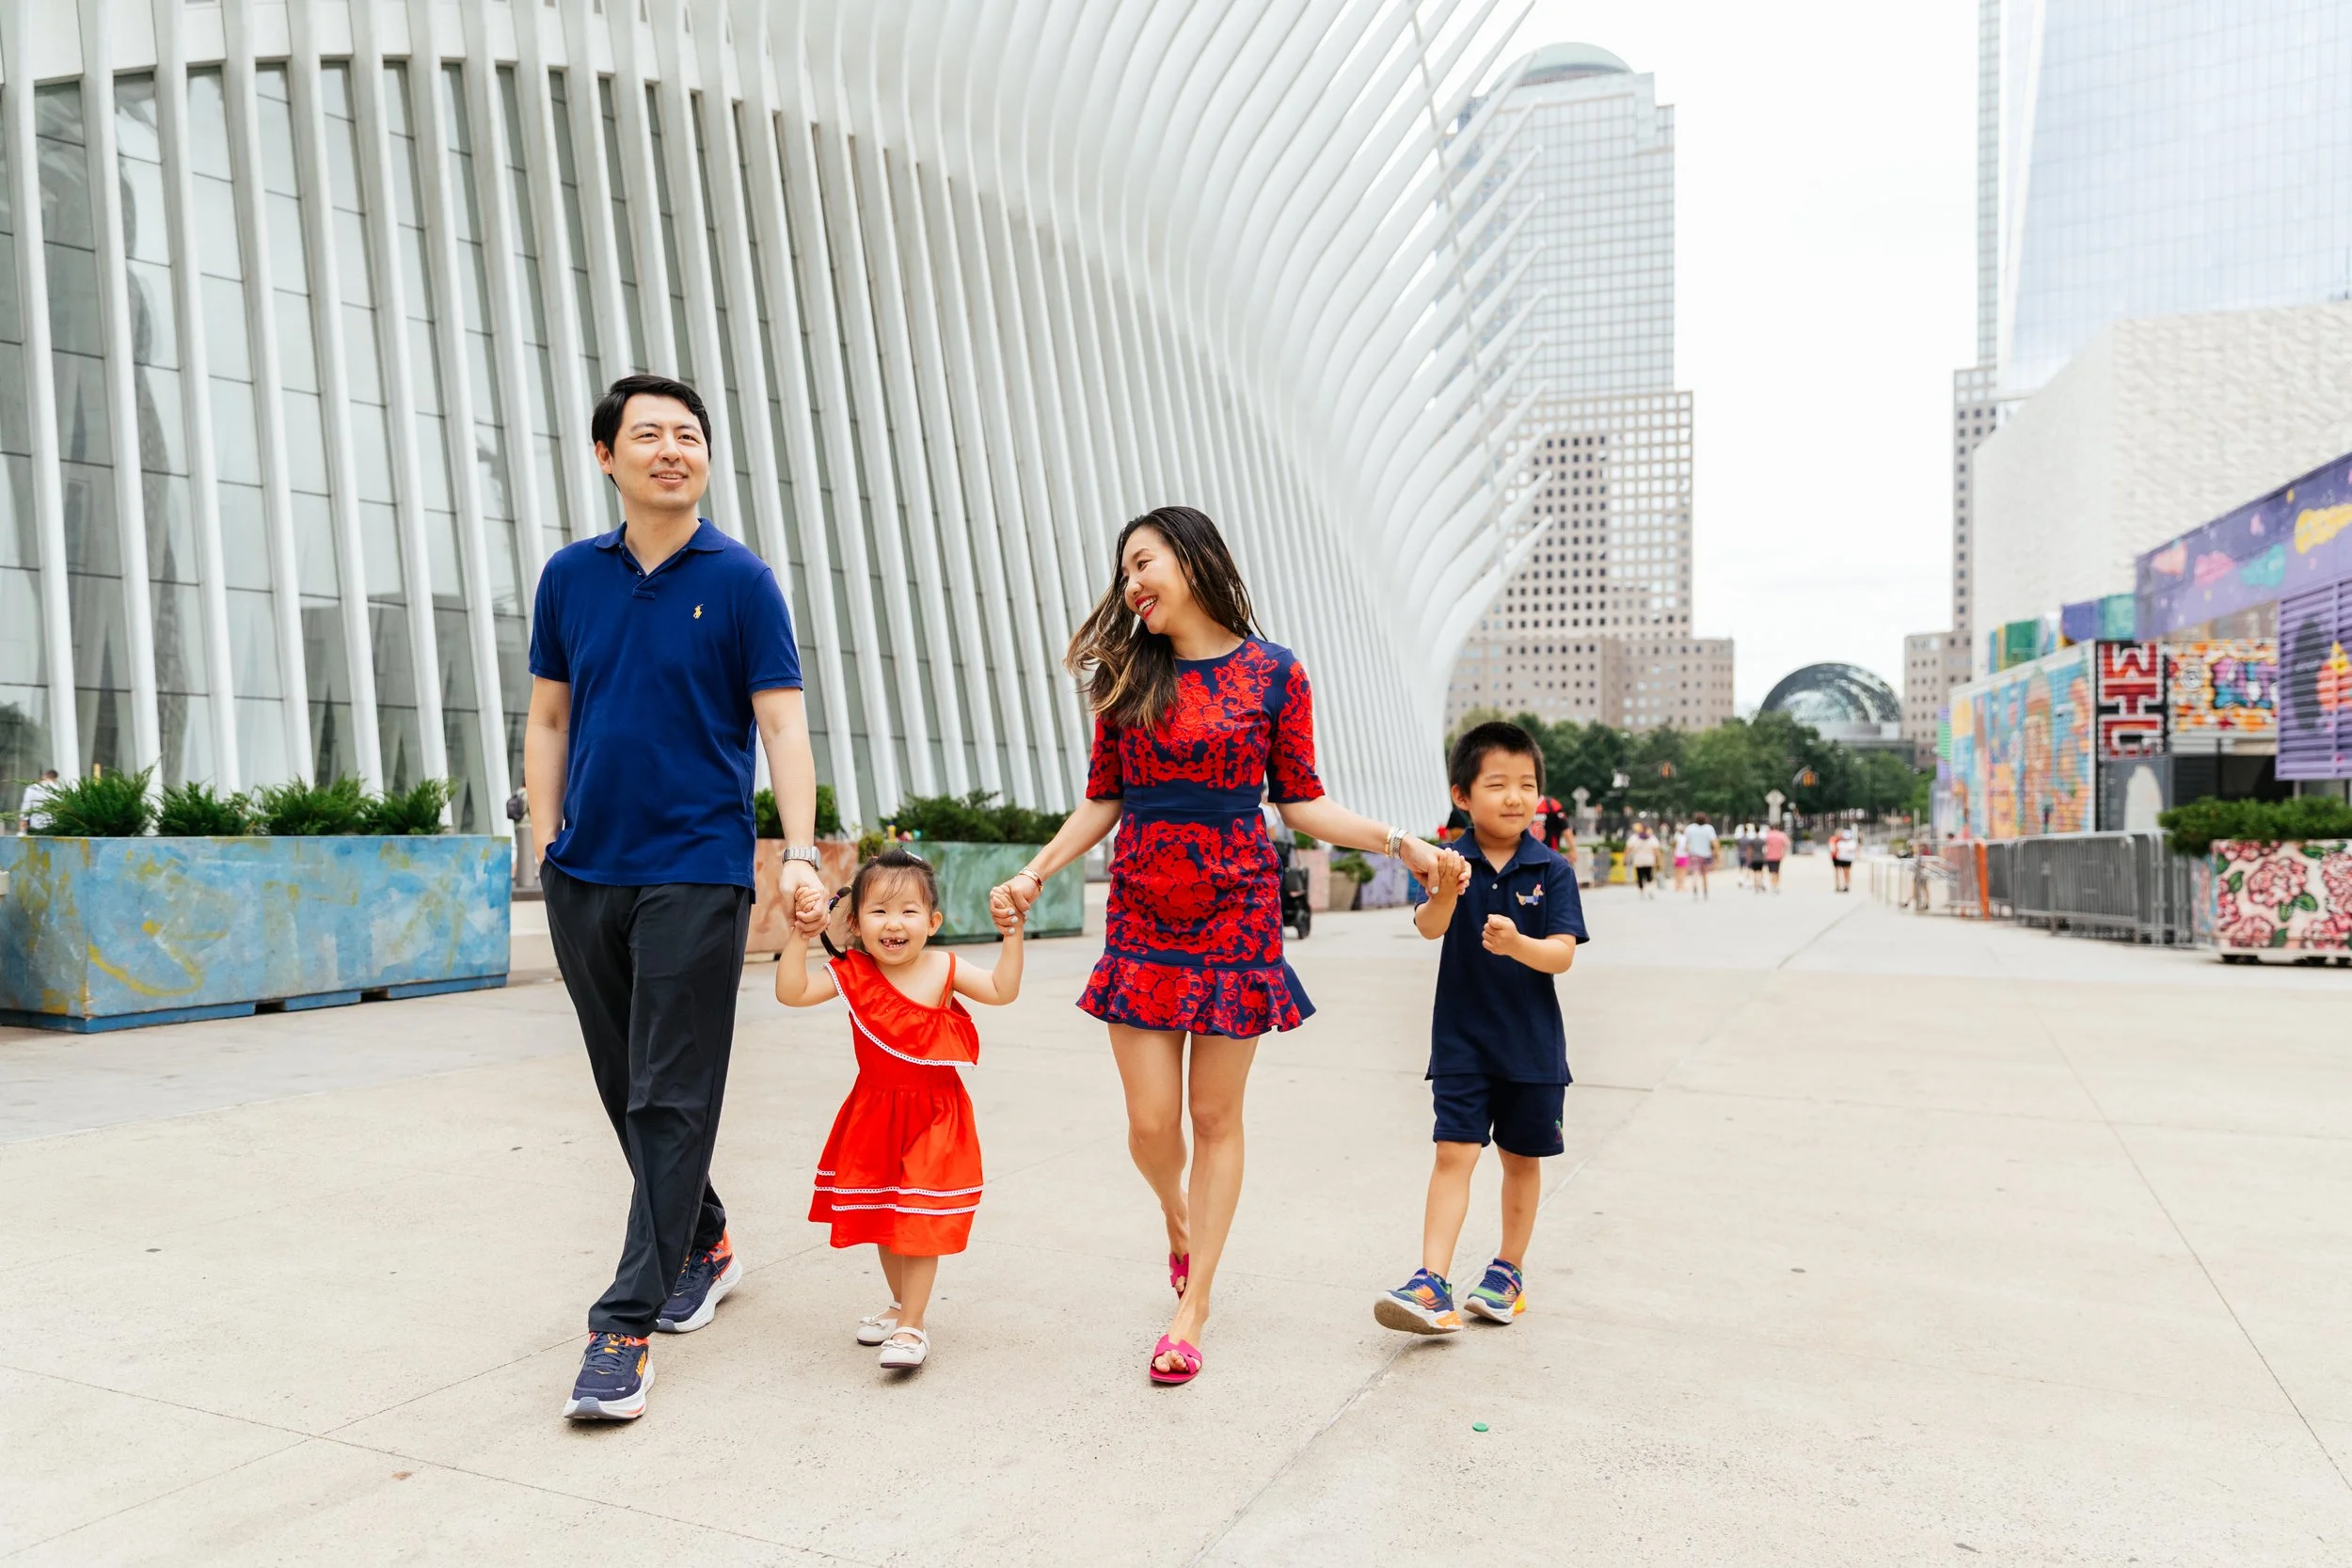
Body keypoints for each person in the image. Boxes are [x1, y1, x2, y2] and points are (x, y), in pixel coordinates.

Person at [992, 505, 1454, 1386]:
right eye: (1124, 570)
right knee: (1151, 1124)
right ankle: (1176, 1211)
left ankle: (1192, 1302)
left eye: (1144, 562)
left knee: (1214, 1118)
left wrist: (1400, 840)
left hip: (1237, 909)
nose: (1132, 585)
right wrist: (1038, 870)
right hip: (1140, 909)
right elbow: (1104, 797)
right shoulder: (1128, 674)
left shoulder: (1276, 673)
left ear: (1195, 560)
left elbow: (1302, 800)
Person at [528, 374, 830, 1423]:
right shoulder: (570, 576)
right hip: (586, 868)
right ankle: (703, 1236)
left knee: (672, 1089)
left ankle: (625, 1322)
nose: (672, 449)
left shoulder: (742, 580)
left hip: (698, 866)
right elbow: (551, 714)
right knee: (625, 1080)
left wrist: (796, 853)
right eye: (647, 434)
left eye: (688, 434)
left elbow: (783, 727)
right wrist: (544, 834)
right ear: (604, 455)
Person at [773, 848, 1024, 1372]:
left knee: (918, 1218)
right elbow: (792, 992)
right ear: (856, 922)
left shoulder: (944, 967)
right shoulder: (852, 972)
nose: (894, 924)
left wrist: (1013, 936)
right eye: (879, 912)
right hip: (874, 1111)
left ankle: (914, 1323)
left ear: (932, 923)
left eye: (909, 911)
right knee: (884, 1214)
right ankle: (897, 1306)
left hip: (936, 1115)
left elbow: (1001, 991)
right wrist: (798, 937)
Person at [1379, 721, 1586, 1335]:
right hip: (1462, 1041)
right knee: (1453, 1152)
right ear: (1462, 795)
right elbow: (1428, 925)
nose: (1516, 796)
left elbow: (1562, 954)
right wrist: (1444, 890)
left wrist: (1520, 943)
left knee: (1522, 1160)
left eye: (1526, 784)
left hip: (1532, 1049)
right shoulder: (1451, 860)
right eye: (1497, 783)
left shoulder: (1551, 870)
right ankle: (1432, 1280)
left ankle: (1508, 1271)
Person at [1684, 811, 1717, 899]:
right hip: (1706, 854)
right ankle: (1705, 891)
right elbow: (1714, 843)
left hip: (1694, 854)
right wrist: (1716, 853)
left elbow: (1686, 843)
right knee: (1705, 874)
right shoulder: (1709, 828)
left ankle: (1695, 887)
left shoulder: (1690, 828)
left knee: (1695, 872)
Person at [1624, 820, 1661, 898]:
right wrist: (1658, 861)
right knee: (1649, 875)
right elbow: (1657, 851)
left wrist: (1625, 858)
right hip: (1649, 860)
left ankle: (1641, 892)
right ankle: (1650, 889)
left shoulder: (1634, 838)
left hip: (1638, 860)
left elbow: (1628, 849)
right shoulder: (1652, 838)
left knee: (1640, 876)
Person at [17, 768, 58, 834]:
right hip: (52, 825)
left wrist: (23, 821)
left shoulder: (32, 788)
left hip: (36, 825)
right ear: (55, 779)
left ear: (44, 776)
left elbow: (26, 806)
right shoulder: (58, 789)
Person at [1831, 823, 1858, 892]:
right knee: (1841, 872)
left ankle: (1846, 885)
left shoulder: (1851, 842)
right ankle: (1840, 884)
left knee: (1847, 872)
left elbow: (1853, 849)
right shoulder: (1839, 842)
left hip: (1847, 859)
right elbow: (1834, 848)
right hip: (1840, 858)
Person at [1764, 821, 1789, 892]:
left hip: (1769, 856)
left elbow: (1764, 846)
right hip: (1778, 856)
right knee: (1777, 871)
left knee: (1771, 872)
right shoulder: (1782, 835)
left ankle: (1773, 884)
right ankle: (1776, 885)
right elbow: (1787, 844)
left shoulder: (1768, 835)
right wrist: (1783, 853)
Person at [1671, 821, 1690, 894]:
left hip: (1680, 855)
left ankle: (1678, 885)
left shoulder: (1679, 836)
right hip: (1681, 855)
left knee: (1679, 871)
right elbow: (1675, 846)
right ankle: (1680, 885)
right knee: (1681, 871)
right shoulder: (1680, 837)